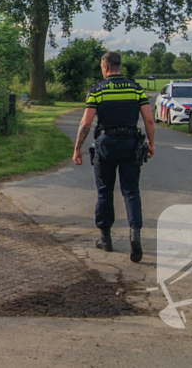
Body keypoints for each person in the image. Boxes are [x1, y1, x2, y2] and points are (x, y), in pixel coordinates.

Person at [72, 51, 155, 263]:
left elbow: (86, 123)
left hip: (106, 144)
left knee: (104, 191)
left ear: (105, 66)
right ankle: (134, 233)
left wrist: (77, 149)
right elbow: (149, 120)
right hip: (130, 144)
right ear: (119, 66)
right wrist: (150, 144)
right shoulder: (135, 88)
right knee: (131, 191)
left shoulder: (97, 90)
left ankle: (105, 238)